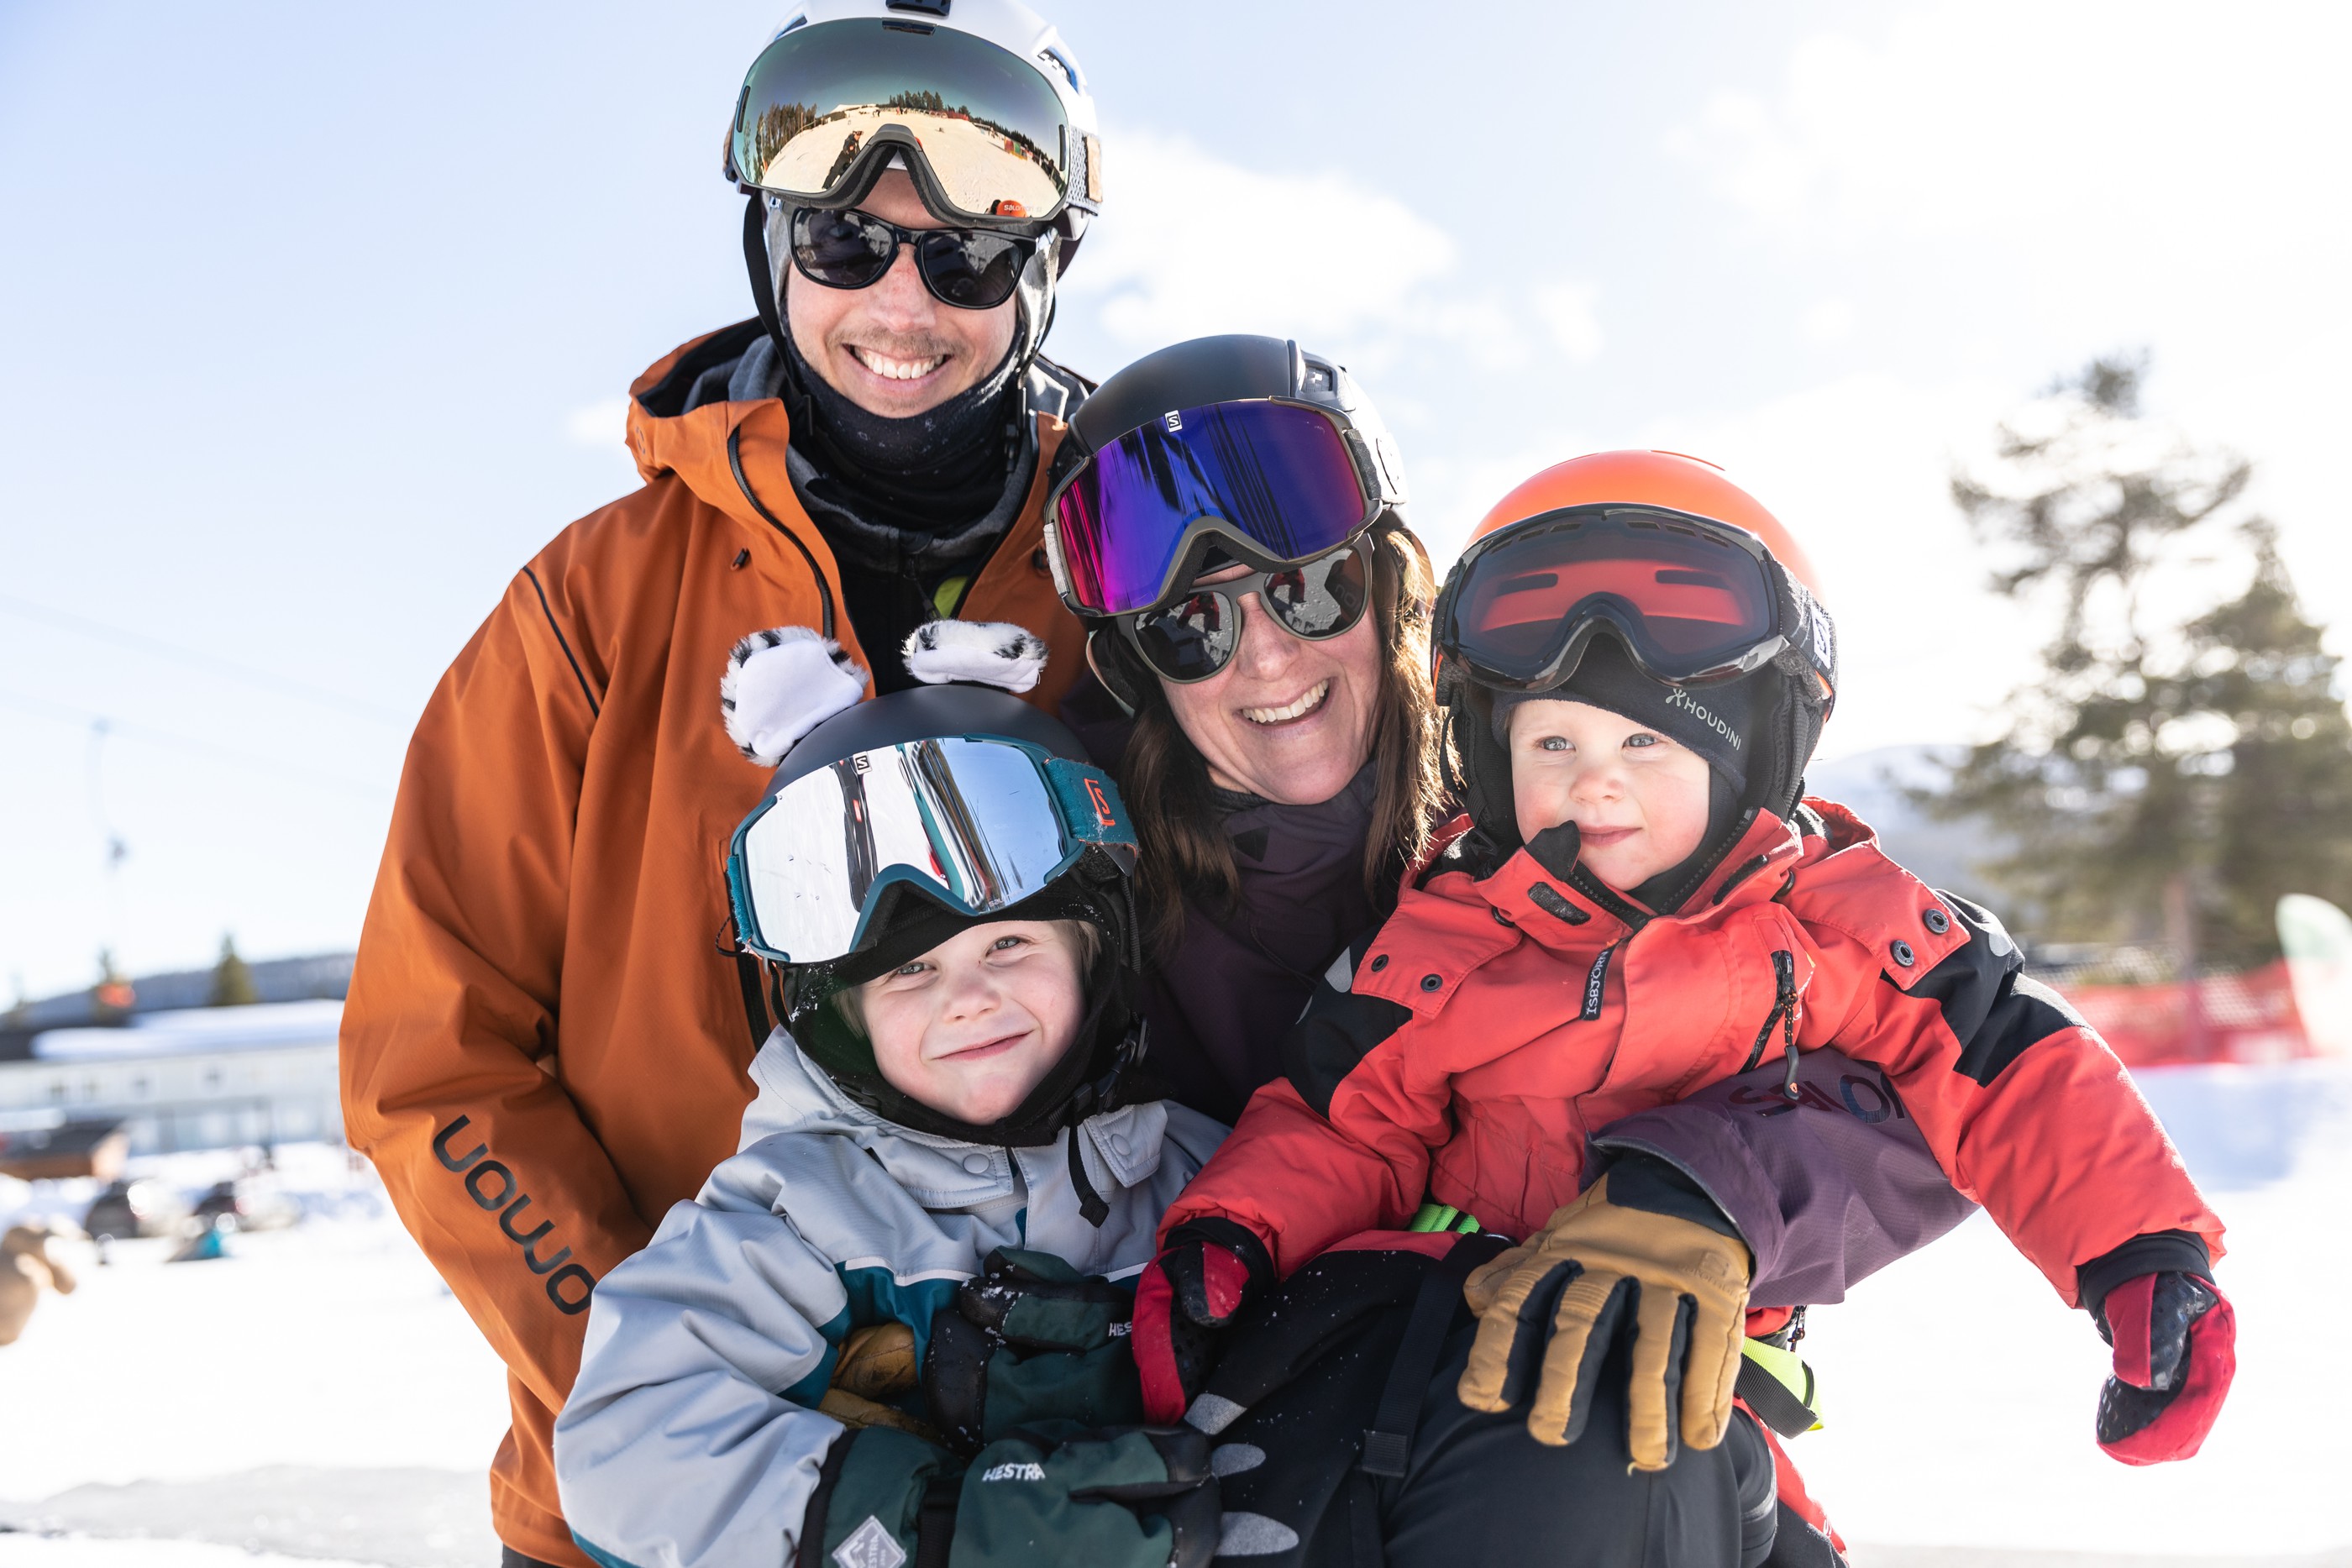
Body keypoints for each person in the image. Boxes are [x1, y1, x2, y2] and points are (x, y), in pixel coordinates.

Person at [1141, 452, 2239, 1550]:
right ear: (1488, 752)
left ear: (1747, 758)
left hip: (1708, 1365)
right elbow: (1341, 1119)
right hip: (1453, 1324)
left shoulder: (1832, 918)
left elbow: (2009, 1064)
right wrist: (1234, 1235)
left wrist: (2142, 1256)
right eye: (1553, 740)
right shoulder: (1447, 937)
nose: (1594, 778)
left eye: (1645, 741)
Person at [338, 6, 1109, 1562]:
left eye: (966, 258)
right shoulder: (591, 605)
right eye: (844, 239)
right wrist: (652, 1372)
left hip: (1058, 1490)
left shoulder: (1124, 584)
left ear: (1042, 273)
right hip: (652, 1515)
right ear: (772, 248)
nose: (904, 300)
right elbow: (434, 1060)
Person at [1046, 338, 1983, 1561]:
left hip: (1593, 1431)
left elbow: (1947, 1037)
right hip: (1271, 1427)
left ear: (1389, 589)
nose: (1263, 657)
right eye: (1188, 628)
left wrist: (1722, 1191)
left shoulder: (1564, 801)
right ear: (1136, 671)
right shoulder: (1089, 894)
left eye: (1305, 591)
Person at [553, 664, 1780, 1568]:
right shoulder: (802, 1213)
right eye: (909, 978)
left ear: (1098, 954)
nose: (967, 1002)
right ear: (835, 1015)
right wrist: (934, 1522)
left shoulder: (1197, 1170)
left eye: (1011, 948)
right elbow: (623, 1444)